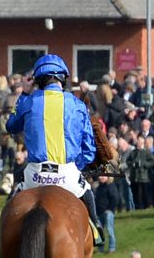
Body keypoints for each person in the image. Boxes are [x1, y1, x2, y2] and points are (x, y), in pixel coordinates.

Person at [5, 53, 96, 196]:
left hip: (35, 176)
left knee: (12, 205)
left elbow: (11, 126)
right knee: (89, 196)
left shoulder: (28, 101)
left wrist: (24, 93)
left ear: (37, 81)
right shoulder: (78, 104)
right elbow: (89, 150)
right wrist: (77, 166)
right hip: (68, 176)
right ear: (63, 78)